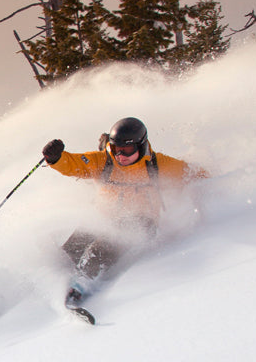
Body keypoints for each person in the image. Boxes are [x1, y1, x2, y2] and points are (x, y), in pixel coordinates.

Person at [42, 116, 206, 314]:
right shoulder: (104, 161)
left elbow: (194, 173)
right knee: (70, 250)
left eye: (127, 150)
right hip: (106, 218)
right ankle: (42, 284)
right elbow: (75, 164)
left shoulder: (157, 165)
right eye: (117, 149)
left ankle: (81, 285)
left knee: (101, 248)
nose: (121, 156)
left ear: (141, 145)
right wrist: (56, 158)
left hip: (141, 222)